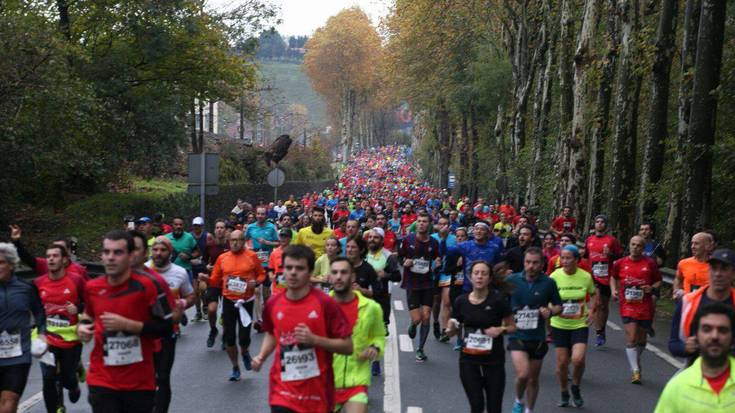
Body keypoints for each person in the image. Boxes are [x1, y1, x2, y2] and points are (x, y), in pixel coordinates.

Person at [76, 231, 173, 413]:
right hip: (101, 378)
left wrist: (129, 326)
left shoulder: (149, 286)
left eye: (117, 253)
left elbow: (166, 328)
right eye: (106, 252)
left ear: (130, 256)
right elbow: (88, 315)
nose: (111, 258)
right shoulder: (92, 287)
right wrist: (83, 327)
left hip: (138, 382)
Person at [251, 245, 353, 413]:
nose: (292, 272)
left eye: (299, 268)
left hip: (317, 394)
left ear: (310, 271)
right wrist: (261, 356)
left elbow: (348, 346)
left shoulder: (326, 304)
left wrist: (315, 340)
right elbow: (272, 333)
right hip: (282, 392)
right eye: (288, 267)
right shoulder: (273, 304)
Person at [446, 260, 516, 413]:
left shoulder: (498, 300)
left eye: (484, 274)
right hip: (469, 360)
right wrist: (450, 329)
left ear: (490, 279)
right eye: (476, 273)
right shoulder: (461, 301)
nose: (479, 277)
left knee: (494, 408)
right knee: (477, 405)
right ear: (470, 277)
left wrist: (500, 329)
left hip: (494, 360)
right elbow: (454, 326)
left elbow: (512, 326)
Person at [205, 229, 266, 381]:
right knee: (230, 338)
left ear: (243, 241)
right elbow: (214, 280)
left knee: (244, 337)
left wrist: (256, 282)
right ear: (229, 241)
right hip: (229, 301)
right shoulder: (222, 258)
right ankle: (235, 367)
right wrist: (206, 279)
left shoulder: (251, 256)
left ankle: (244, 352)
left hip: (246, 301)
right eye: (232, 240)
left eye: (238, 240)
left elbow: (262, 274)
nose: (234, 243)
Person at [506, 247, 562, 413]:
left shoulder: (549, 283)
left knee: (533, 379)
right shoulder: (512, 280)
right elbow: (499, 300)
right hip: (517, 335)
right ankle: (518, 400)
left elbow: (559, 306)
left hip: (538, 338)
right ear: (523, 262)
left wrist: (550, 311)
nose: (531, 266)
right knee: (523, 374)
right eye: (528, 262)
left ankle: (529, 409)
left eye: (535, 263)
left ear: (542, 264)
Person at [655, 302, 735, 412]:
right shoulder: (677, 387)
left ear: (732, 337)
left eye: (722, 330)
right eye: (707, 329)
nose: (714, 336)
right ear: (696, 336)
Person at [329, 258, 385, 413]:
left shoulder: (371, 308)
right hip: (326, 382)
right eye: (334, 272)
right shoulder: (321, 306)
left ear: (353, 277)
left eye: (344, 272)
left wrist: (374, 347)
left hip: (356, 380)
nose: (339, 276)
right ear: (330, 277)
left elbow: (379, 336)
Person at [34, 244, 86, 413]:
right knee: (48, 378)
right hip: (47, 338)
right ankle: (55, 408)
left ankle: (74, 381)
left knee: (67, 379)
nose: (50, 259)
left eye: (55, 256)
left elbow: (91, 305)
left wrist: (78, 309)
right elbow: (34, 309)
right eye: (48, 256)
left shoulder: (76, 280)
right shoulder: (38, 283)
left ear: (64, 260)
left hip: (71, 339)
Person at [147, 236, 195, 413]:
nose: (158, 253)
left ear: (170, 252)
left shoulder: (179, 272)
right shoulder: (142, 270)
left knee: (163, 376)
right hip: (145, 333)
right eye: (155, 250)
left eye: (163, 250)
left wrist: (181, 304)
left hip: (168, 332)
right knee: (147, 377)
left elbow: (191, 296)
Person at [0, 243, 46, 413]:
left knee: (9, 402)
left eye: (1, 262)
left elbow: (40, 314)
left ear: (11, 264)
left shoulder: (26, 288)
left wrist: (42, 334)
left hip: (18, 356)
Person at [610, 236, 662, 384]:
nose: (635, 247)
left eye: (639, 245)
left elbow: (659, 281)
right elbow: (613, 277)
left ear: (643, 247)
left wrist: (651, 287)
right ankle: (635, 370)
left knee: (641, 340)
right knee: (631, 338)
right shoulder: (620, 263)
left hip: (644, 306)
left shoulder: (650, 264)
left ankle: (635, 357)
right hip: (627, 305)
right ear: (629, 245)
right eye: (633, 244)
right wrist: (614, 290)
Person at [550, 245, 596, 408]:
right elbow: (548, 297)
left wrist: (591, 310)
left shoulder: (585, 277)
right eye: (562, 258)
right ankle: (564, 392)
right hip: (559, 324)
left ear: (577, 260)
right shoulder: (554, 277)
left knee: (578, 359)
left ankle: (575, 386)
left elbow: (593, 294)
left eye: (569, 258)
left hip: (579, 324)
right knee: (562, 364)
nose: (565, 261)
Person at [669, 249, 735, 360]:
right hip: (696, 369)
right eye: (714, 268)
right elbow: (673, 344)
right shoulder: (687, 302)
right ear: (708, 271)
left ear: (733, 274)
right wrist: (685, 348)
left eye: (724, 269)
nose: (718, 274)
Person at [398, 212, 440, 362]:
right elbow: (399, 256)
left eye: (424, 221)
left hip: (428, 282)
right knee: (417, 319)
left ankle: (420, 348)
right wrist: (404, 262)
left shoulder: (434, 243)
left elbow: (436, 257)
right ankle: (413, 324)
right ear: (417, 223)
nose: (422, 223)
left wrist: (437, 262)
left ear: (429, 224)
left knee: (427, 316)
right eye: (419, 221)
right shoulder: (407, 240)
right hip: (412, 283)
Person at [584, 214, 623, 346]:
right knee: (597, 303)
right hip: (593, 276)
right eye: (597, 222)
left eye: (602, 222)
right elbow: (585, 256)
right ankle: (598, 331)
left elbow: (620, 256)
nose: (599, 224)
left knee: (604, 306)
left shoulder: (612, 241)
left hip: (606, 276)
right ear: (594, 224)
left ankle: (602, 329)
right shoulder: (589, 240)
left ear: (606, 225)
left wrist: (610, 254)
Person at [441, 221, 504, 293]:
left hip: (488, 288)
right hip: (468, 288)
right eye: (476, 229)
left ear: (487, 233)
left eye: (482, 229)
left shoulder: (494, 248)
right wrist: (443, 239)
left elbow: (499, 264)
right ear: (473, 232)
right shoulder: (465, 246)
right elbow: (445, 252)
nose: (479, 231)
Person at [9, 225, 88, 280]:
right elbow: (26, 258)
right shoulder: (46, 264)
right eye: (54, 248)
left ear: (68, 251)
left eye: (61, 249)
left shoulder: (79, 270)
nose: (57, 251)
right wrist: (16, 242)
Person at [674, 232, 715, 299]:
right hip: (688, 303)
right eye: (692, 243)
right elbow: (678, 278)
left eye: (696, 243)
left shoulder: (716, 265)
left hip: (708, 306)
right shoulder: (683, 263)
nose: (692, 247)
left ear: (707, 246)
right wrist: (676, 291)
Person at [190, 217, 212, 322]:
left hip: (204, 267)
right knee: (195, 292)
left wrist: (209, 264)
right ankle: (198, 312)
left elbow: (212, 251)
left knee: (203, 289)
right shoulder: (189, 237)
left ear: (202, 226)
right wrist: (190, 259)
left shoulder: (207, 236)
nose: (196, 228)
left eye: (198, 225)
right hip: (193, 267)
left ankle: (205, 307)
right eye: (195, 225)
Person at [165, 216, 200, 281]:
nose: (178, 227)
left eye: (181, 225)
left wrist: (189, 257)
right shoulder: (165, 238)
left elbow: (198, 252)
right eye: (176, 224)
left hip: (185, 272)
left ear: (183, 225)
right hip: (169, 272)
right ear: (172, 225)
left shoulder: (189, 237)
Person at [267, 229, 295, 296]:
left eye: (285, 236)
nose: (283, 239)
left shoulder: (295, 252)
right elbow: (270, 269)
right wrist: (271, 276)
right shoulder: (274, 253)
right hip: (278, 289)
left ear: (290, 238)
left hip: (292, 287)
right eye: (281, 236)